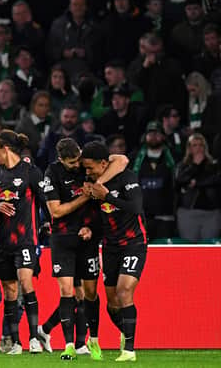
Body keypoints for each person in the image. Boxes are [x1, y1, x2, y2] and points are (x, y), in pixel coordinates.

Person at [40, 138, 128, 360]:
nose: (76, 165)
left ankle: (89, 341)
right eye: (71, 162)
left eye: (78, 160)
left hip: (89, 238)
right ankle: (69, 345)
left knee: (88, 293)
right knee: (66, 291)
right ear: (61, 159)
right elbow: (56, 212)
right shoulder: (52, 172)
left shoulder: (86, 165)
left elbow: (121, 159)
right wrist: (85, 195)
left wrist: (98, 185)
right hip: (62, 239)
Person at [81, 141, 148, 362]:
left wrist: (107, 196)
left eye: (90, 167)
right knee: (112, 303)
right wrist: (89, 228)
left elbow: (136, 208)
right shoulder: (92, 184)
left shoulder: (126, 178)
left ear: (103, 163)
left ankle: (129, 350)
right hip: (110, 247)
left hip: (133, 242)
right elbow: (99, 216)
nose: (87, 172)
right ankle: (125, 331)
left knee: (124, 290)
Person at [0, 130, 48, 354]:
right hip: (2, 243)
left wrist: (47, 224)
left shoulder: (31, 172)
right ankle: (16, 342)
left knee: (26, 283)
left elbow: (45, 202)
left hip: (25, 240)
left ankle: (33, 339)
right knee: (9, 291)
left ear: (6, 148)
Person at [174, 133, 221, 242]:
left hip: (211, 213)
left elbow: (216, 180)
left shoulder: (214, 165)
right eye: (195, 145)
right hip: (188, 213)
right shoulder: (183, 166)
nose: (198, 148)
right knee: (189, 249)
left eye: (201, 145)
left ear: (205, 147)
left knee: (209, 249)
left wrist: (196, 182)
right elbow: (179, 180)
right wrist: (195, 165)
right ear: (189, 148)